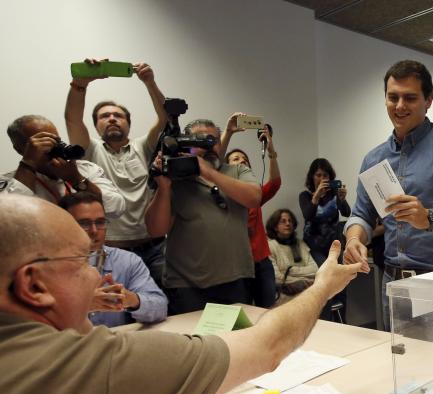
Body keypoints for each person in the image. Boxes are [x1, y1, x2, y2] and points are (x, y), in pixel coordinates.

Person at [0, 193, 361, 394]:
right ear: (33, 285)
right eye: (82, 262)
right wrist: (324, 286)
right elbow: (268, 346)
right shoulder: (89, 369)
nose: (97, 277)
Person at [342, 60, 433, 328]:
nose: (400, 106)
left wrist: (430, 218)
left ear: (429, 100)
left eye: (410, 98)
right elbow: (361, 215)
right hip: (394, 285)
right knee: (401, 367)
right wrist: (354, 239)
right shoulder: (374, 159)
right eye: (393, 97)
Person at [64, 59, 168, 284]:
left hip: (154, 248)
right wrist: (79, 84)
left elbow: (164, 118)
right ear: (96, 126)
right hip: (111, 251)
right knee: (115, 308)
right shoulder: (89, 150)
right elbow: (72, 119)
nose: (112, 118)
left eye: (118, 116)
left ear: (128, 124)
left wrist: (149, 83)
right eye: (104, 116)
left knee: (162, 307)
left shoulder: (143, 147)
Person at [144, 119, 261, 314]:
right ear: (185, 145)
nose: (208, 146)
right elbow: (156, 229)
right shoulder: (174, 178)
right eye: (199, 141)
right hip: (187, 285)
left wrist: (209, 173)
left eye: (212, 141)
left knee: (236, 340)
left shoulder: (237, 170)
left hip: (235, 280)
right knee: (192, 342)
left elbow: (254, 198)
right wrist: (164, 187)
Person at [58, 192, 167, 327]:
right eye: (84, 223)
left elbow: (160, 308)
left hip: (114, 342)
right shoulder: (45, 265)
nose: (94, 230)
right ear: (63, 226)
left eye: (100, 222)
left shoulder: (127, 261)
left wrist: (131, 300)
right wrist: (80, 305)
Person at [3, 115, 125, 218]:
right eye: (42, 141)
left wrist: (76, 179)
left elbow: (115, 208)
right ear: (20, 149)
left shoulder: (86, 169)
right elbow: (9, 215)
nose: (52, 145)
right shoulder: (10, 182)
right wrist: (28, 162)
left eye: (56, 140)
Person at [222, 117, 282, 308]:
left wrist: (271, 150)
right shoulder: (220, 195)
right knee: (242, 314)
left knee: (268, 313)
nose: (242, 162)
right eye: (236, 159)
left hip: (262, 263)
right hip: (236, 266)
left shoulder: (254, 196)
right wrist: (229, 132)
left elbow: (275, 183)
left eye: (245, 160)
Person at [299, 158, 351, 265]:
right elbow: (308, 215)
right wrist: (316, 196)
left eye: (325, 175)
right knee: (325, 275)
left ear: (330, 177)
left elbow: (346, 213)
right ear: (312, 177)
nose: (322, 179)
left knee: (337, 278)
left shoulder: (334, 194)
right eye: (318, 175)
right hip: (313, 247)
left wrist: (342, 199)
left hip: (334, 245)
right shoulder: (305, 196)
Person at [267, 208, 318, 303]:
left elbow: (314, 269)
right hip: (284, 294)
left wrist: (289, 270)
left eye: (290, 221)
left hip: (308, 289)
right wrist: (301, 281)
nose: (288, 224)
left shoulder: (301, 244)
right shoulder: (270, 246)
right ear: (275, 227)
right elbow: (276, 277)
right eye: (283, 221)